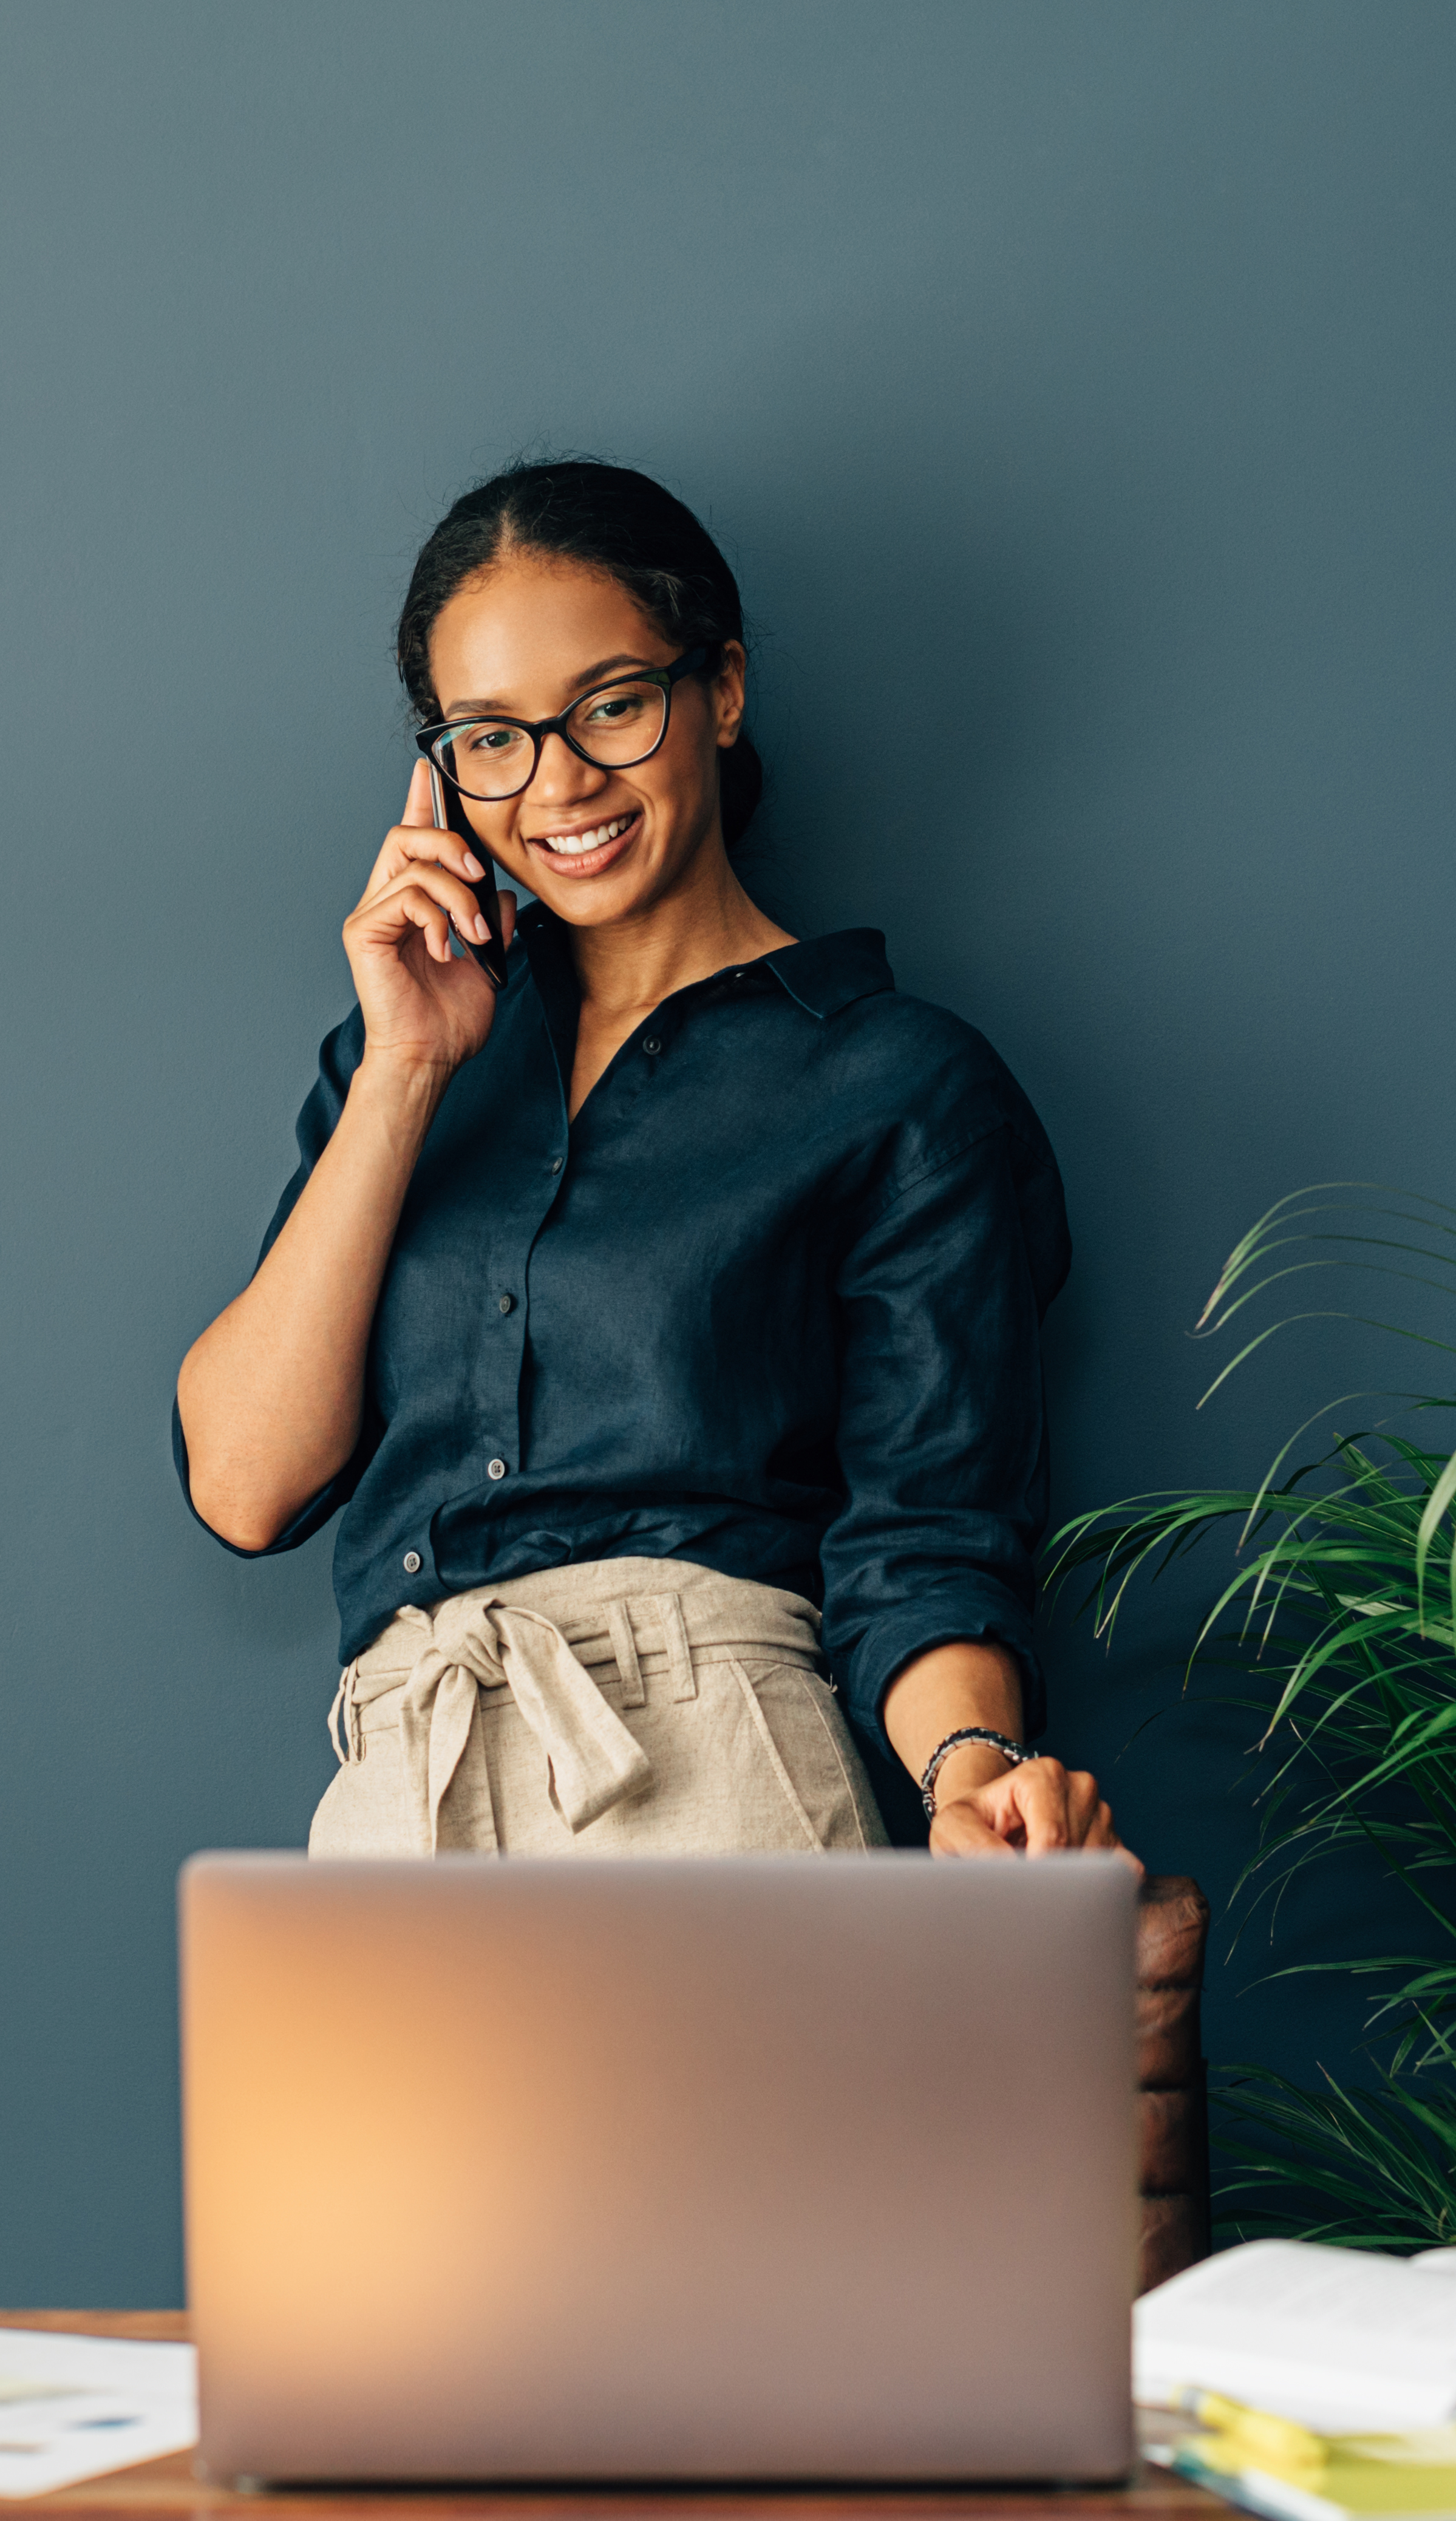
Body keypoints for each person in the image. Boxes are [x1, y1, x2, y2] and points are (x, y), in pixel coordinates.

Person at [173, 460, 1125, 1863]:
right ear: (437, 769)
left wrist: (968, 1775)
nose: (556, 782)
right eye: (487, 738)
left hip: (715, 1773)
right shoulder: (401, 1060)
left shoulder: (899, 1084)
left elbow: (927, 1540)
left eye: (610, 706)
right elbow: (245, 1484)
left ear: (719, 689)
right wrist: (403, 1070)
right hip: (403, 1781)